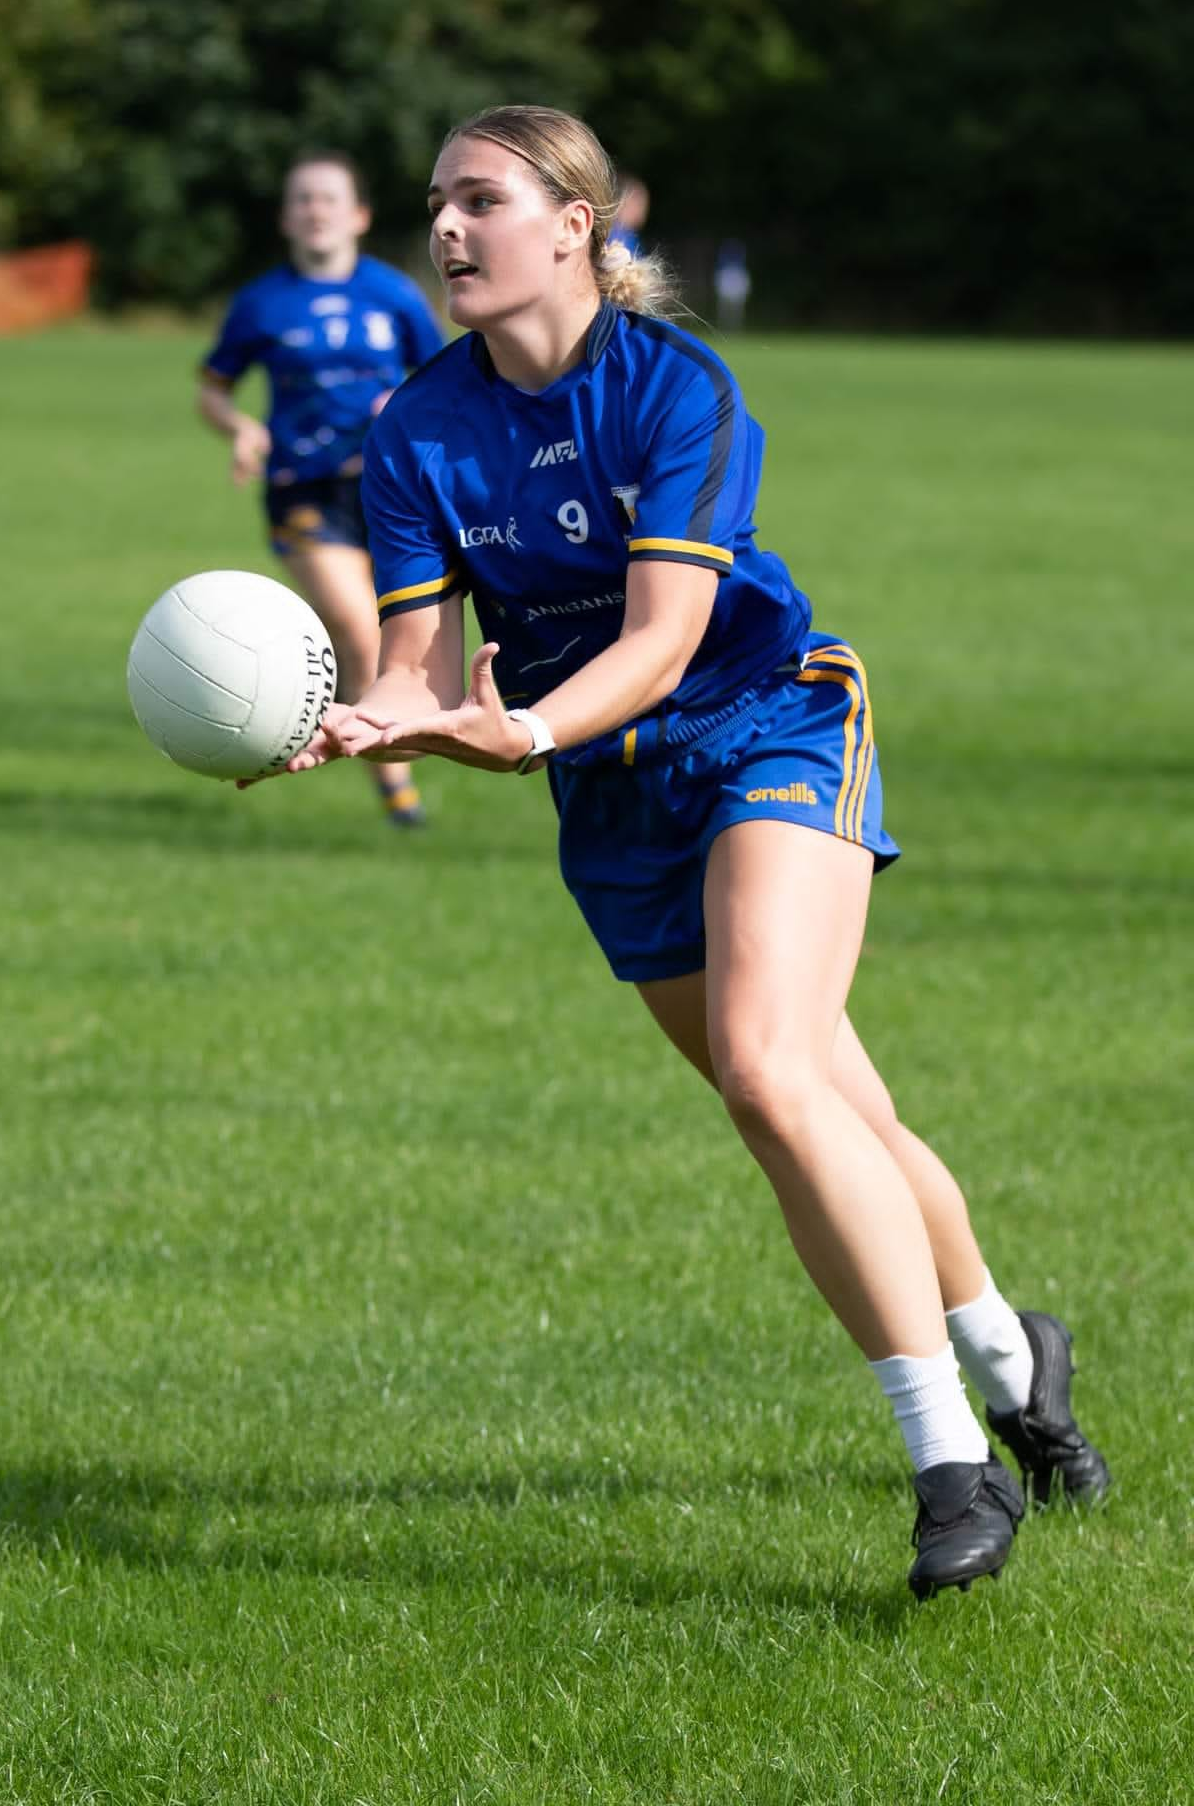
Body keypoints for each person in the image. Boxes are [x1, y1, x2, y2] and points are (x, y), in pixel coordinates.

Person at [270, 105, 1109, 1598]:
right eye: (437, 205)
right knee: (829, 1105)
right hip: (615, 807)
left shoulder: (678, 387)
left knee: (768, 1071)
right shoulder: (414, 432)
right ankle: (1011, 1352)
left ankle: (948, 1464)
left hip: (763, 726)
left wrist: (518, 734)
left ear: (574, 224)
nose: (446, 232)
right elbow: (417, 657)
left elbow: (660, 647)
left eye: (481, 202)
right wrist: (350, 719)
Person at [196, 152, 445, 827]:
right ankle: (398, 791)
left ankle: (306, 697)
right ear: (285, 217)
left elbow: (447, 379)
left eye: (329, 199)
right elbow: (211, 389)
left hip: (387, 491)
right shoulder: (261, 303)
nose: (315, 210)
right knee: (361, 630)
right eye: (302, 199)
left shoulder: (394, 294)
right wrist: (241, 428)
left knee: (388, 637)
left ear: (358, 215)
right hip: (300, 488)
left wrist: (402, 400)